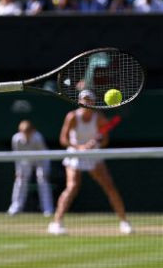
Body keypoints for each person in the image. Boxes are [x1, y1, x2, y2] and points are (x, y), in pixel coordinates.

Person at [48, 90, 131, 235]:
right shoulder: (72, 117)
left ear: (93, 102)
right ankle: (56, 222)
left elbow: (104, 141)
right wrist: (79, 147)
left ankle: (124, 222)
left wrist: (98, 140)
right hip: (75, 154)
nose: (86, 102)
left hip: (93, 154)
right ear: (80, 101)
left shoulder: (99, 118)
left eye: (89, 99)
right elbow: (63, 139)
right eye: (84, 99)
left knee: (109, 187)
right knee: (72, 186)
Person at [7, 120, 54, 217]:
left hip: (41, 159)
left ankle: (48, 209)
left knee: (42, 181)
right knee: (20, 181)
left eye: (28, 132)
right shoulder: (16, 139)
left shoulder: (38, 137)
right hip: (25, 160)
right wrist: (18, 170)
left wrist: (44, 171)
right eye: (24, 132)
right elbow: (17, 156)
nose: (26, 134)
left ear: (33, 131)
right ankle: (15, 208)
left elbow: (43, 155)